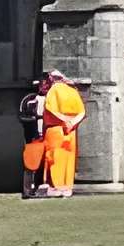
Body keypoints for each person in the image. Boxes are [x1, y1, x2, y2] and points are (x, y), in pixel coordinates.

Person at [32, 69, 85, 198]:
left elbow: (51, 110)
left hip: (55, 130)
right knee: (69, 159)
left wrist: (64, 120)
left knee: (53, 159)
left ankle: (55, 186)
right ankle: (67, 187)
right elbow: (82, 112)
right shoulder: (73, 92)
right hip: (71, 131)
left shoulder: (54, 91)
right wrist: (71, 122)